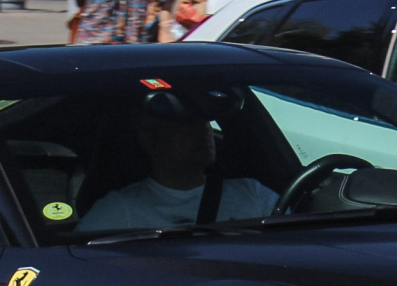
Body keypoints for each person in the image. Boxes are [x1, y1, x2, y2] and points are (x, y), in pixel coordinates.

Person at [79, 89, 279, 234]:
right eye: (185, 124)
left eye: (204, 121)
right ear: (149, 137)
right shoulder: (119, 211)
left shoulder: (253, 194)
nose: (202, 131)